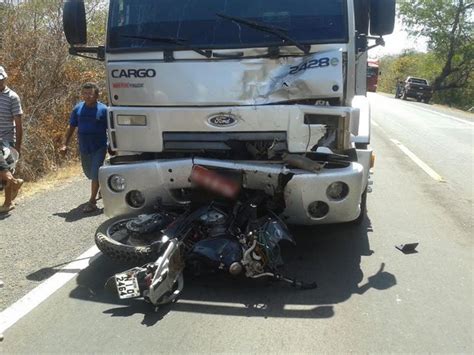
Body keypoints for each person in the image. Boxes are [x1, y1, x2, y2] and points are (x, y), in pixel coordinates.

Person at [60, 82, 108, 213]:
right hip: (84, 147)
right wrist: (65, 144)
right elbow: (71, 127)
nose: (87, 96)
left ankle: (92, 202)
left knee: (95, 174)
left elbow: (111, 128)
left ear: (96, 95)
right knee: (89, 173)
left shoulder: (104, 110)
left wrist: (112, 145)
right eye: (85, 93)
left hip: (99, 146)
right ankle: (103, 188)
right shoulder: (78, 109)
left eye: (90, 94)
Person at [0, 65, 24, 213]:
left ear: (5, 78)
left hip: (6, 138)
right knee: (4, 168)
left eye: (1, 79)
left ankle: (8, 202)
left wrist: (18, 147)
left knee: (6, 167)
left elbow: (18, 124)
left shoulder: (12, 97)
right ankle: (13, 183)